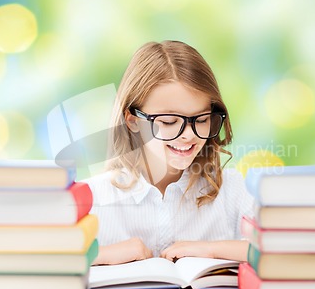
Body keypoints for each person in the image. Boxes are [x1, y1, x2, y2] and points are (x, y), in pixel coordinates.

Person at [86, 40, 254, 265]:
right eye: (169, 121)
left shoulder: (232, 190)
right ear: (133, 121)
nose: (188, 135)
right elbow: (38, 260)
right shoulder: (94, 197)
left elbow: (284, 250)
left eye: (202, 119)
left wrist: (213, 249)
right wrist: (100, 255)